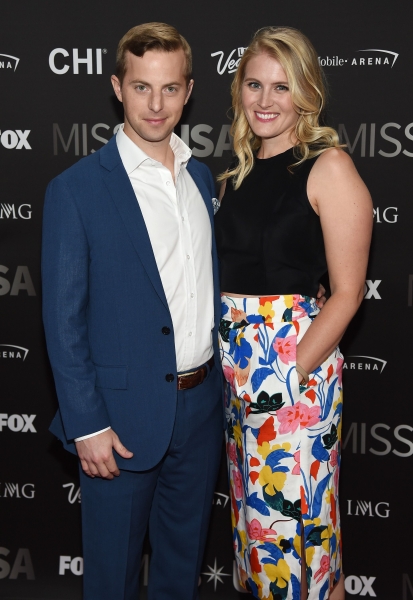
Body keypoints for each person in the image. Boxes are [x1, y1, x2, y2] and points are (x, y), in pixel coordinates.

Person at [42, 22, 225, 600]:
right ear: (118, 87)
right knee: (111, 581)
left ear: (188, 91)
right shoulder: (75, 189)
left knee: (180, 574)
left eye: (170, 88)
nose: (156, 104)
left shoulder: (201, 177)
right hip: (116, 423)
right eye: (142, 87)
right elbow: (63, 321)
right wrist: (87, 424)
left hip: (201, 410)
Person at [214, 26, 372, 600]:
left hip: (294, 379)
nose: (265, 100)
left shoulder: (329, 167)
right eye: (254, 84)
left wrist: (288, 375)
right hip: (237, 379)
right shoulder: (234, 176)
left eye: (281, 87)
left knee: (303, 532)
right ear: (239, 89)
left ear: (306, 93)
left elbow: (348, 293)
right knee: (261, 539)